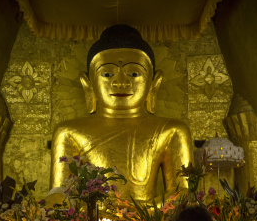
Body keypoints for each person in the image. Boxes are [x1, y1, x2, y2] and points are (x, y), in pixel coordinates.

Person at [50, 24, 192, 203]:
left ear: (154, 83)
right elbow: (59, 191)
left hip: (148, 220)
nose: (120, 82)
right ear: (88, 84)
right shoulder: (68, 132)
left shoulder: (171, 131)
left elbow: (184, 191)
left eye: (134, 73)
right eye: (107, 74)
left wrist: (143, 212)